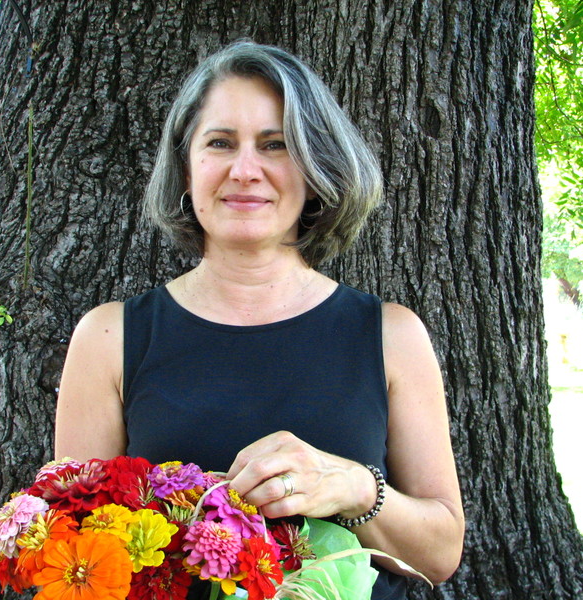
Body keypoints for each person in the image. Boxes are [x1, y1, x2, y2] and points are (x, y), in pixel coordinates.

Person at [55, 41, 464, 599]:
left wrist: (354, 489)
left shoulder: (391, 335)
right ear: (185, 166)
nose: (245, 170)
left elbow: (440, 556)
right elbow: (75, 559)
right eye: (220, 143)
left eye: (276, 145)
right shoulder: (109, 337)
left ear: (315, 167)